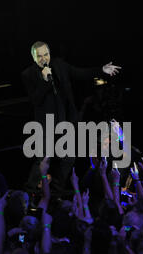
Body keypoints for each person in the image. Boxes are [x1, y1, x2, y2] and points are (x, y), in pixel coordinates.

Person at [21, 41, 121, 196]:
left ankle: (55, 189)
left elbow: (80, 73)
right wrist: (45, 81)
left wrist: (101, 70)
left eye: (45, 54)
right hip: (45, 125)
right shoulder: (28, 74)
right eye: (39, 56)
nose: (43, 59)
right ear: (33, 57)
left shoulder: (60, 65)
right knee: (43, 159)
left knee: (69, 157)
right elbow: (35, 100)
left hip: (65, 121)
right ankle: (30, 191)